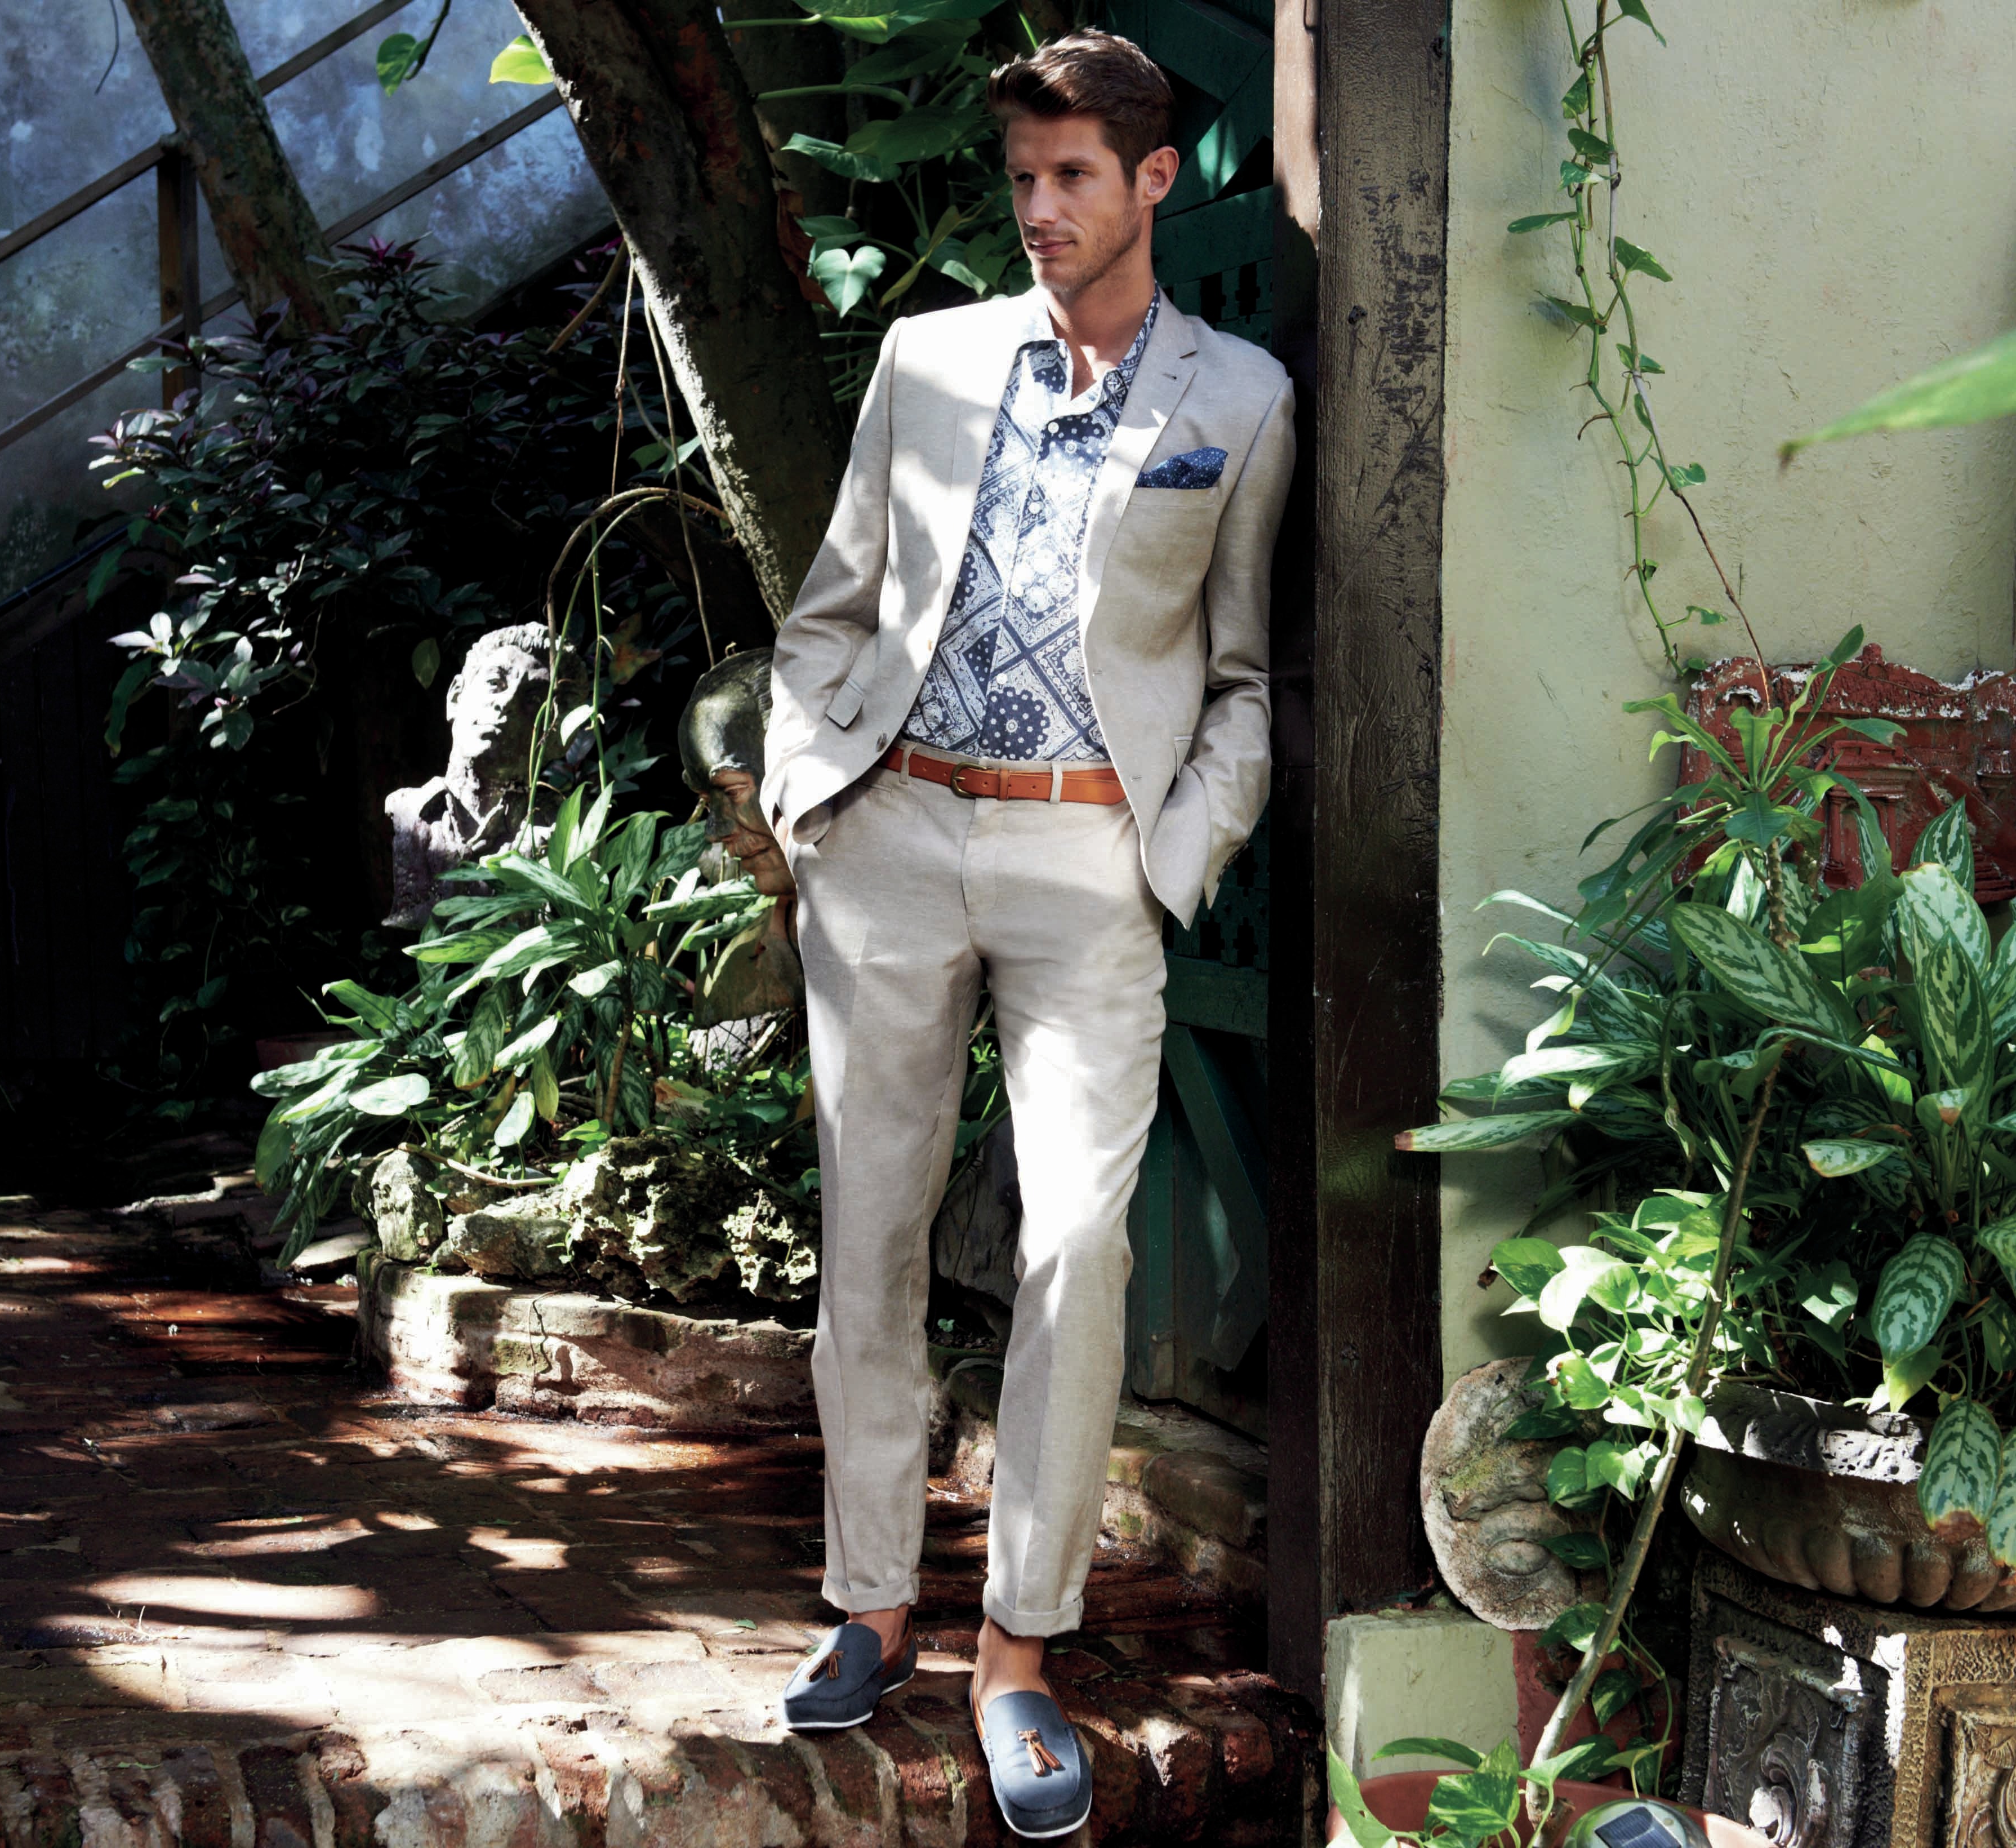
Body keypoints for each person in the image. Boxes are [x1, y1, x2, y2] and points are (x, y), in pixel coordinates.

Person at [715, 29, 1291, 1838]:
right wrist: (810, 795)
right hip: (892, 837)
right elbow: (833, 606)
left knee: (1081, 1249)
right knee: (869, 1241)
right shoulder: (929, 359)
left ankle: (1019, 1651)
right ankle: (870, 1606)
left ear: (1153, 181)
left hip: (1086, 862)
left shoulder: (1242, 399)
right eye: (1023, 177)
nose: (1038, 208)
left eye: (1071, 177)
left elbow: (1247, 677)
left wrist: (1170, 857)